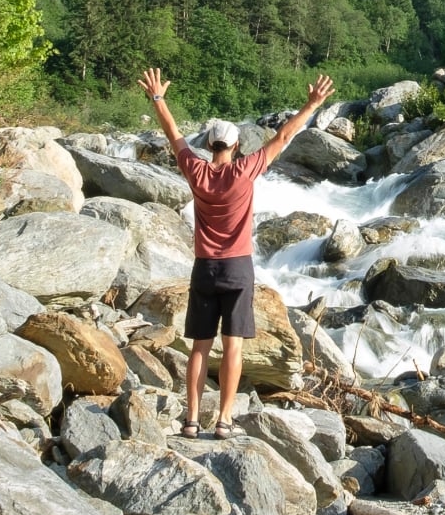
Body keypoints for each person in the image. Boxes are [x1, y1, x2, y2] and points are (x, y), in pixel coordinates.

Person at [138, 66, 334, 438]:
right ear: (235, 146)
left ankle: (192, 420)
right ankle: (225, 419)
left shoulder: (195, 171)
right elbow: (285, 136)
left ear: (209, 145)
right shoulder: (245, 170)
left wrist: (158, 98)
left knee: (199, 348)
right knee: (233, 348)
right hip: (238, 270)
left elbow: (173, 135)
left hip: (204, 269)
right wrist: (312, 104)